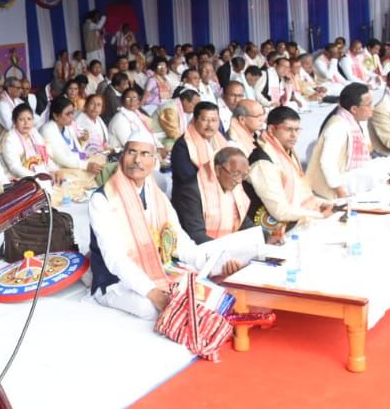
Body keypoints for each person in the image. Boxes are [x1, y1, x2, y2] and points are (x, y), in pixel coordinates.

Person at [86, 129, 243, 321]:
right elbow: (115, 259)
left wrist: (216, 264)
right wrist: (152, 292)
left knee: (203, 289)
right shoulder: (103, 198)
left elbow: (180, 241)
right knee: (148, 308)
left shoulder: (156, 195)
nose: (137, 160)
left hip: (158, 267)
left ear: (154, 162)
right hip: (114, 279)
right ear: (122, 157)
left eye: (145, 154)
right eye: (132, 152)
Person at [245, 106, 334, 230]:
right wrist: (319, 215)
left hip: (291, 219)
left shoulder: (286, 152)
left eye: (297, 130)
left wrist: (320, 204)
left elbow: (299, 191)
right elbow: (280, 212)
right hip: (271, 230)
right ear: (271, 129)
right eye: (288, 129)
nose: (294, 135)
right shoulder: (263, 162)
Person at [169, 102, 245, 244]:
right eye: (205, 120)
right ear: (195, 120)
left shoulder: (221, 141)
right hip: (192, 199)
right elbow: (188, 180)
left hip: (222, 191)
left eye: (214, 120)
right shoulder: (183, 145)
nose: (210, 125)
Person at [307, 83, 376, 200]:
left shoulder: (351, 120)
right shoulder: (338, 126)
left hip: (346, 175)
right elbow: (327, 163)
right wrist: (341, 193)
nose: (372, 108)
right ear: (354, 109)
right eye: (369, 104)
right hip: (333, 187)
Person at [40, 96, 104, 175]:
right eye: (67, 114)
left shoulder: (67, 126)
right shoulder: (47, 130)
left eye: (72, 113)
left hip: (72, 166)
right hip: (57, 170)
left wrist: (83, 140)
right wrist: (86, 165)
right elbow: (61, 158)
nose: (71, 117)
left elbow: (76, 148)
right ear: (56, 116)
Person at [0, 103, 63, 182]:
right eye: (21, 119)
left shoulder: (34, 133)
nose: (26, 123)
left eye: (29, 119)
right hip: (22, 181)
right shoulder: (10, 139)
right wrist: (37, 177)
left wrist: (56, 170)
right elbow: (14, 167)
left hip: (42, 176)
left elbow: (45, 157)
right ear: (14, 122)